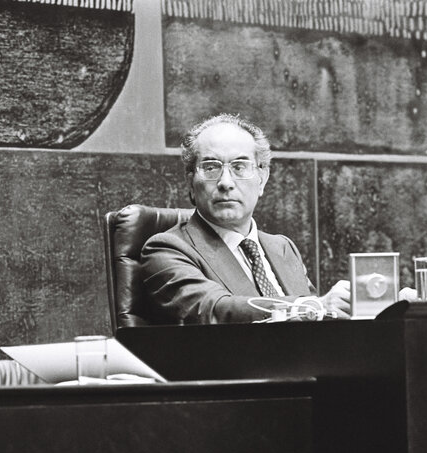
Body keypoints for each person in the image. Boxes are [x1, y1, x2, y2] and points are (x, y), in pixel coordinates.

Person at [141, 113, 350, 324]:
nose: (226, 182)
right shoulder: (166, 249)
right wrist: (310, 307)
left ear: (262, 179)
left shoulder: (283, 248)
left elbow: (316, 326)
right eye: (211, 167)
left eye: (239, 167)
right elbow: (214, 309)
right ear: (191, 183)